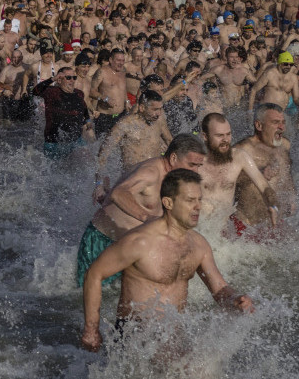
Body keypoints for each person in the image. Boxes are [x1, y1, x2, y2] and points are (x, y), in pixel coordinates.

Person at [81, 169, 254, 352]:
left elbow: (219, 289)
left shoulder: (198, 245)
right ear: (168, 202)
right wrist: (91, 330)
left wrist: (236, 299)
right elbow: (94, 273)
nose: (198, 207)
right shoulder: (140, 242)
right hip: (135, 335)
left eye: (199, 199)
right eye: (190, 200)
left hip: (173, 334)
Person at [76, 133, 207, 287]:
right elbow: (119, 193)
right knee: (95, 297)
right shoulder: (150, 172)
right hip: (103, 242)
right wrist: (147, 217)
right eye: (192, 165)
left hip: (133, 248)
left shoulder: (173, 178)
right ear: (173, 158)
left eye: (199, 166)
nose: (196, 172)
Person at [196, 112, 277, 228]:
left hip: (223, 231)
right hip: (201, 229)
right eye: (219, 136)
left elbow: (265, 187)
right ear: (205, 136)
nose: (225, 140)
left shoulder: (239, 157)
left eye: (228, 134)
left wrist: (273, 205)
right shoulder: (195, 163)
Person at [232, 103, 295, 237]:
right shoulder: (243, 149)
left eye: (283, 122)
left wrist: (292, 197)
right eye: (275, 122)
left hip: (275, 223)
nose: (282, 127)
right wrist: (258, 173)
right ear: (259, 125)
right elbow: (227, 181)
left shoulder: (284, 145)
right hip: (247, 226)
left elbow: (287, 175)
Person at [95, 89, 172, 177]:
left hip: (156, 176)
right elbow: (103, 153)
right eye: (155, 109)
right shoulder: (125, 124)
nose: (158, 113)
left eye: (160, 109)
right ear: (142, 108)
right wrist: (99, 184)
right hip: (132, 177)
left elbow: (170, 142)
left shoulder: (159, 121)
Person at [31, 66, 93, 159]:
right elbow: (35, 91)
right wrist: (52, 79)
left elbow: (83, 106)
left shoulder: (79, 93)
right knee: (54, 172)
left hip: (76, 140)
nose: (72, 80)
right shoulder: (51, 92)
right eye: (68, 78)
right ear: (59, 80)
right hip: (54, 142)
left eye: (74, 77)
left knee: (89, 162)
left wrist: (87, 119)